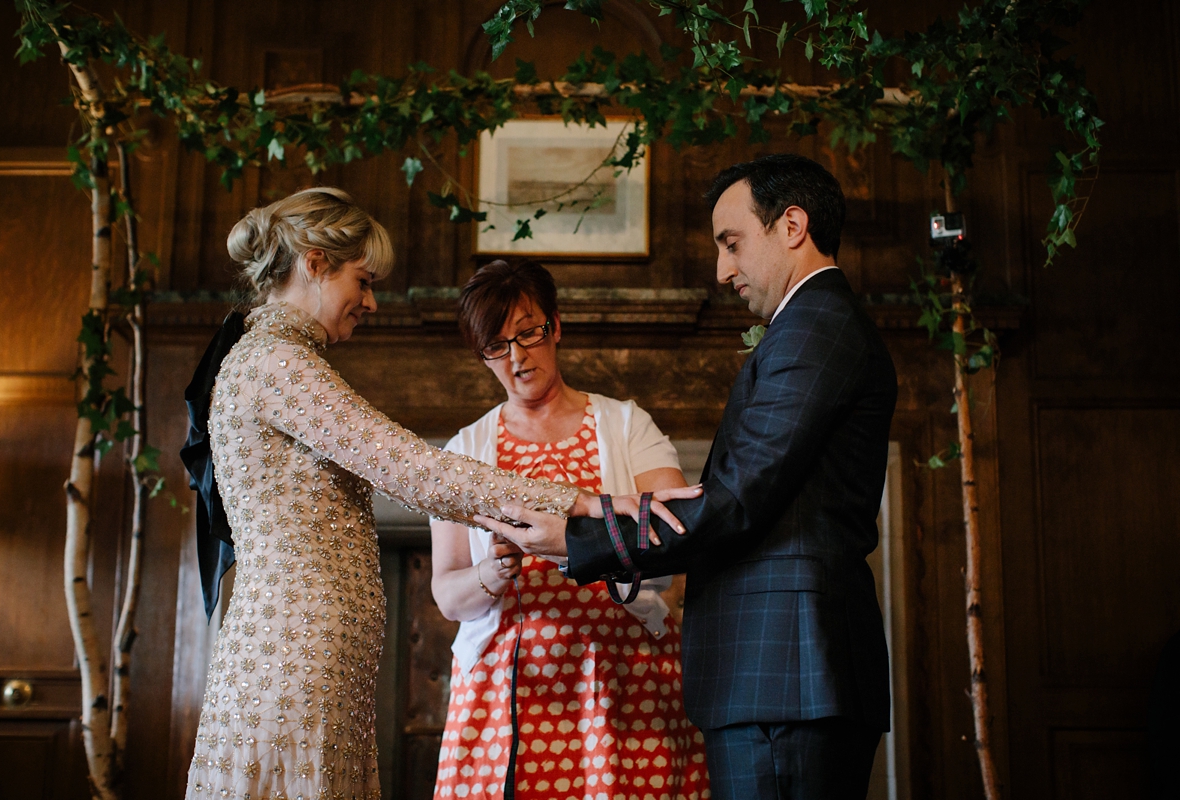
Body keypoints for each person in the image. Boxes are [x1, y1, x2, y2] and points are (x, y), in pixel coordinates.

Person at [181, 188, 696, 800]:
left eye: (529, 335)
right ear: (315, 262)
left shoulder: (278, 359)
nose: (370, 301)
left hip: (315, 648)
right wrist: (583, 502)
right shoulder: (275, 364)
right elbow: (414, 470)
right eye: (363, 280)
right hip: (295, 647)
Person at [482, 154, 899, 800]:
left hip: (784, 676)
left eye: (732, 244)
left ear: (793, 225)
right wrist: (593, 513)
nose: (721, 270)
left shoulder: (816, 329)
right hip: (780, 678)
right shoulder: (809, 327)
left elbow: (733, 502)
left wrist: (578, 539)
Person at [429, 261, 711, 800]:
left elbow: (674, 539)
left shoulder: (626, 425)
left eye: (528, 333)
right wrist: (490, 571)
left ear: (555, 327)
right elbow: (448, 594)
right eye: (496, 345)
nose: (516, 356)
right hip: (504, 691)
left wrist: (575, 543)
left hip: (623, 679)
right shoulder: (463, 452)